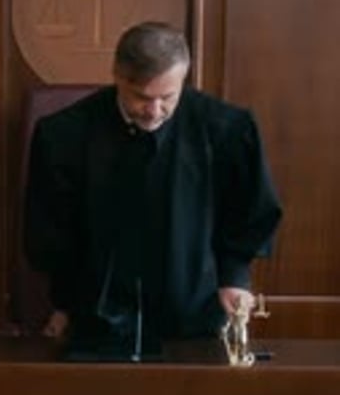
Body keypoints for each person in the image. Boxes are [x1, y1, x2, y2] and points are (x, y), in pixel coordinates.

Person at [24, 21, 282, 354]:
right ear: (117, 75)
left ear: (184, 78)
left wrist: (234, 277)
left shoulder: (228, 129)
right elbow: (50, 230)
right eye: (141, 97)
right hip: (96, 315)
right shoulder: (63, 135)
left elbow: (250, 212)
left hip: (195, 309)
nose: (155, 110)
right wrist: (64, 301)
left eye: (168, 97)